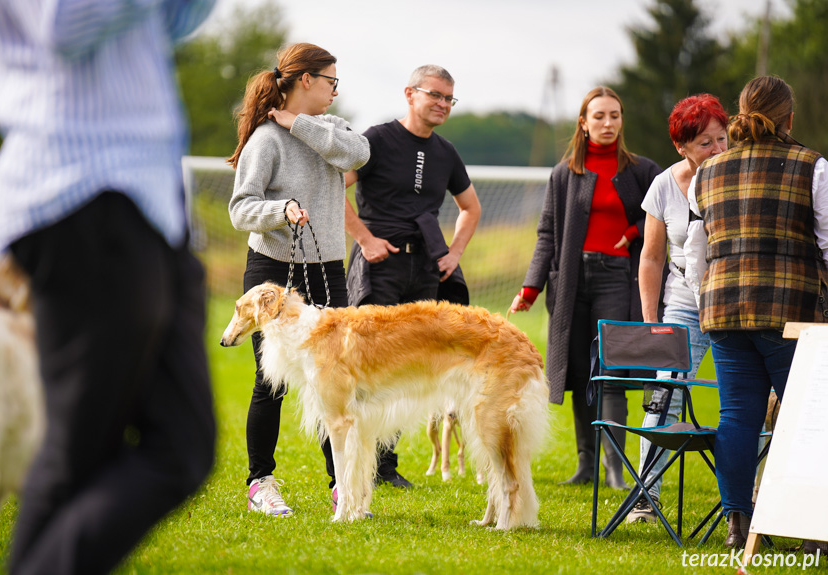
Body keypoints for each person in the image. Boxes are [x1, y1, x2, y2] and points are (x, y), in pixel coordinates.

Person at [0, 1, 218, 574]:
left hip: (153, 198)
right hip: (79, 190)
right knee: (79, 457)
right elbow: (64, 22)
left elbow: (170, 21)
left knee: (182, 446)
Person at [227, 42, 370, 516]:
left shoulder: (331, 129)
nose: (335, 91)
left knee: (337, 379)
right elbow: (240, 208)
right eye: (331, 81)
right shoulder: (265, 141)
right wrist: (279, 209)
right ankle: (260, 482)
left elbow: (359, 154)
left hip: (328, 267)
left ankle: (342, 486)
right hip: (273, 274)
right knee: (271, 383)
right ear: (305, 80)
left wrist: (299, 124)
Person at [691, 75, 828, 548]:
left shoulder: (707, 171)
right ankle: (810, 532)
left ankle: (738, 526)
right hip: (792, 313)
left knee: (736, 417)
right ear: (789, 118)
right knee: (807, 419)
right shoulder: (813, 166)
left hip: (723, 309)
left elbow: (698, 250)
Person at [510, 86, 660, 489]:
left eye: (615, 115)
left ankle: (616, 469)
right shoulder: (564, 174)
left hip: (618, 278)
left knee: (611, 370)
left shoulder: (642, 170)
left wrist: (634, 231)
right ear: (584, 122)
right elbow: (547, 234)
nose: (607, 123)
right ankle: (586, 466)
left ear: (621, 120)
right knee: (580, 373)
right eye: (599, 116)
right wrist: (530, 287)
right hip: (571, 281)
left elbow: (662, 218)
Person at [344, 64, 481, 488]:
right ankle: (354, 462)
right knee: (368, 366)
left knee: (405, 368)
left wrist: (455, 252)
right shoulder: (376, 139)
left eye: (448, 99)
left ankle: (386, 466)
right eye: (435, 95)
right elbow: (334, 188)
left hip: (424, 269)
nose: (442, 104)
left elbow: (470, 208)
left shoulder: (446, 152)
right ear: (410, 94)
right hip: (379, 267)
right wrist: (365, 239)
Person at [625, 94, 729, 523]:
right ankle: (646, 497)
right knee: (662, 395)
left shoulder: (737, 174)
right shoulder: (663, 185)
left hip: (734, 303)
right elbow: (650, 258)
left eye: (722, 138)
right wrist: (653, 324)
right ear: (681, 147)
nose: (718, 150)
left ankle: (745, 503)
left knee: (746, 402)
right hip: (684, 305)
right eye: (705, 143)